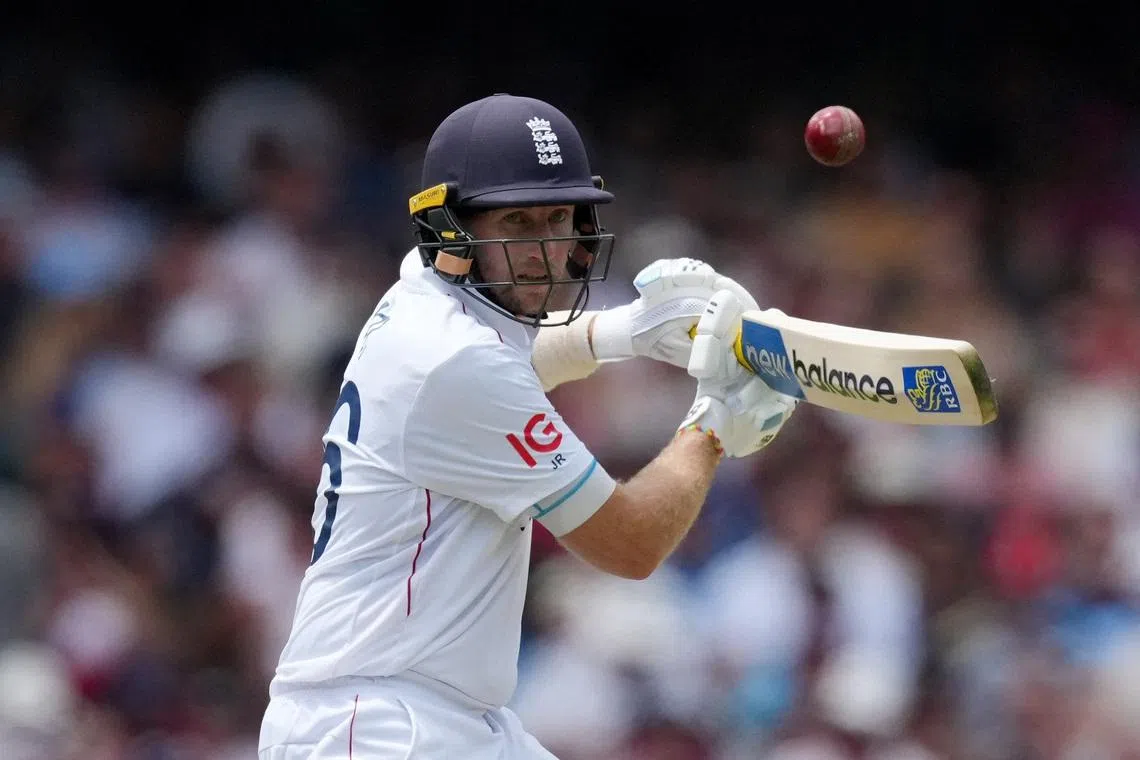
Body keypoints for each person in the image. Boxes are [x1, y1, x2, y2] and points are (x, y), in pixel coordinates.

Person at [257, 93, 798, 759]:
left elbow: (512, 363)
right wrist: (714, 421)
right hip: (378, 727)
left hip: (431, 716)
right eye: (517, 221)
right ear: (450, 228)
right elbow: (630, 544)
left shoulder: (421, 303)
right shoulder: (455, 362)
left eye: (559, 218)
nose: (545, 249)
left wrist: (627, 331)